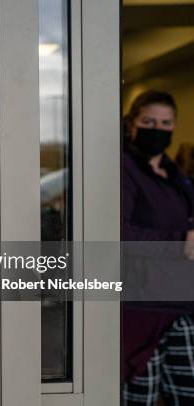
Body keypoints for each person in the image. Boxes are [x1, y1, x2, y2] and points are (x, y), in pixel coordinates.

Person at [122, 90, 194, 405]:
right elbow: (117, 233)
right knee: (141, 398)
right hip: (140, 310)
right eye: (148, 121)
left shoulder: (175, 174)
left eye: (166, 123)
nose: (158, 129)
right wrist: (179, 242)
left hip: (181, 306)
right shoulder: (122, 170)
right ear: (131, 124)